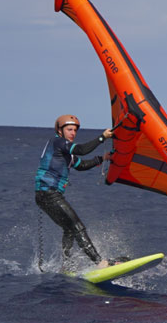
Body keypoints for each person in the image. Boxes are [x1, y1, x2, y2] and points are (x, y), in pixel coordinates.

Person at [34, 114, 113, 270]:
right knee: (78, 226)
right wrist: (102, 137)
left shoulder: (65, 152)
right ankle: (99, 262)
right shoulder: (57, 142)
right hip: (48, 193)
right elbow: (82, 150)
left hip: (44, 196)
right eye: (69, 129)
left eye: (75, 130)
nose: (73, 133)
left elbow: (81, 164)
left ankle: (67, 265)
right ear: (60, 130)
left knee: (69, 229)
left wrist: (102, 158)